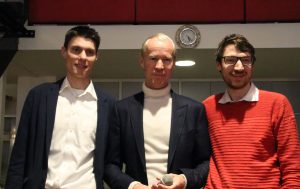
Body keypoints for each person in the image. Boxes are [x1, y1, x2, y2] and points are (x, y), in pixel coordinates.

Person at [5, 25, 115, 189]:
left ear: (96, 57)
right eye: (76, 50)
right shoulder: (39, 97)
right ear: (64, 52)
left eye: (89, 52)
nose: (83, 57)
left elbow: (110, 161)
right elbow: (19, 156)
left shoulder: (109, 104)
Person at [104, 33, 211, 189]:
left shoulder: (194, 110)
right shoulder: (122, 110)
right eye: (153, 58)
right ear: (142, 61)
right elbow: (110, 165)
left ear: (173, 63)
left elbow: (205, 163)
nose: (160, 66)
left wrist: (184, 179)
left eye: (166, 59)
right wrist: (134, 186)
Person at [203, 33, 300, 188]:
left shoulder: (277, 104)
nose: (239, 67)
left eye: (246, 60)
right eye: (230, 60)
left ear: (252, 64)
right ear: (219, 65)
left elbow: (293, 169)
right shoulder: (207, 107)